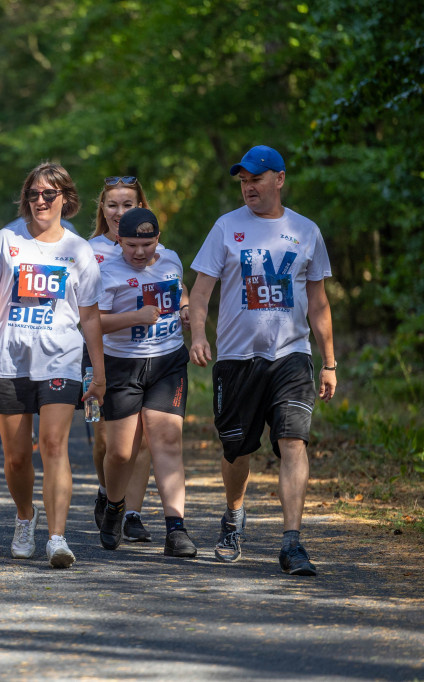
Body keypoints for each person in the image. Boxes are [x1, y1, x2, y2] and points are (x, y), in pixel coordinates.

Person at [189, 145, 337, 576]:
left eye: (256, 178)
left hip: (292, 355)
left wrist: (328, 362)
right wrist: (198, 335)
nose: (248, 187)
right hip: (237, 358)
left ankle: (292, 542)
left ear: (279, 179)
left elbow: (318, 302)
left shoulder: (306, 230)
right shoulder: (225, 228)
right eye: (243, 180)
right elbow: (200, 293)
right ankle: (233, 517)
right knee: (236, 448)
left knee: (293, 442)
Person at [0, 161, 106, 569]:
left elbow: (91, 316)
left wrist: (98, 370)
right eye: (33, 194)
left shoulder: (79, 251)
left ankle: (57, 539)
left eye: (48, 194)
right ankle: (26, 517)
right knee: (17, 456)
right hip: (9, 359)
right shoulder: (7, 240)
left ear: (66, 198)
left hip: (60, 357)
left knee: (55, 445)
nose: (39, 201)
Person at [96, 207, 196, 557]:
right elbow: (94, 324)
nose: (140, 253)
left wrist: (184, 307)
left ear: (158, 240)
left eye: (148, 244)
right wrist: (135, 317)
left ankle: (176, 528)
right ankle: (113, 506)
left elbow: (178, 288)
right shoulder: (107, 272)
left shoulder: (170, 259)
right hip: (122, 365)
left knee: (167, 441)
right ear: (119, 240)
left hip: (168, 362)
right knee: (121, 452)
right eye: (132, 245)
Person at [87, 176, 158, 542]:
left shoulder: (151, 245)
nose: (119, 212)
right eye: (112, 205)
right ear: (102, 209)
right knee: (106, 438)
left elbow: (173, 288)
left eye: (128, 205)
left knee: (141, 437)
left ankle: (131, 512)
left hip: (145, 352)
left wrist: (187, 306)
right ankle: (107, 492)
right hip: (97, 351)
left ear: (140, 206)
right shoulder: (90, 249)